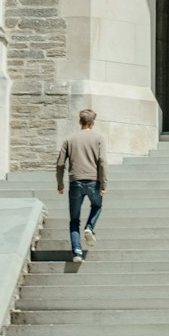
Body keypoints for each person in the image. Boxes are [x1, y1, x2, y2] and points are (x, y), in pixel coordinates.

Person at [55, 107, 107, 264]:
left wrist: (60, 183)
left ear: (80, 122)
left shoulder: (69, 140)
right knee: (97, 206)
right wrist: (104, 183)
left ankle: (77, 252)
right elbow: (103, 162)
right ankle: (90, 228)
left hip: (75, 182)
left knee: (74, 220)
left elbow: (60, 164)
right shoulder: (99, 139)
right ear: (93, 123)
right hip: (93, 181)